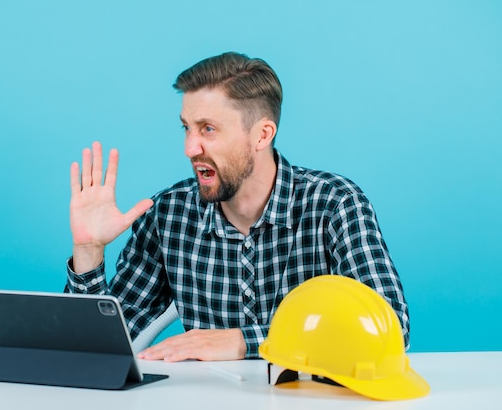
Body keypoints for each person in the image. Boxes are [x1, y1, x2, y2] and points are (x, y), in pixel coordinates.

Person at [65, 52, 410, 362]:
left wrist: (245, 341)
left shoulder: (334, 204)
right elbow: (93, 350)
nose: (190, 147)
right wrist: (88, 252)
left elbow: (390, 329)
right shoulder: (168, 214)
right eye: (186, 128)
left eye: (208, 129)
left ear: (262, 135)